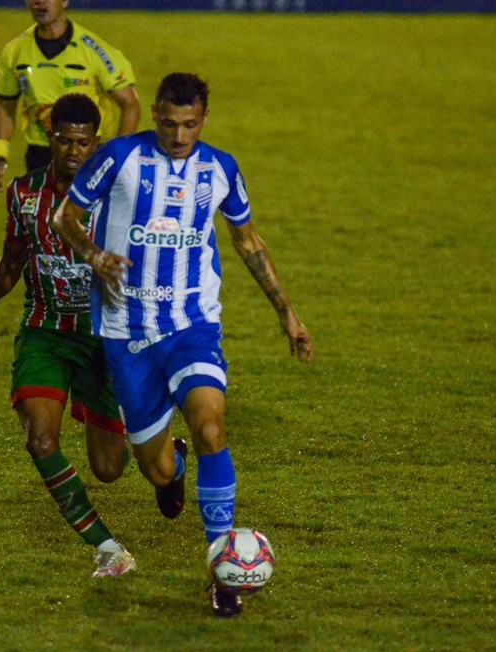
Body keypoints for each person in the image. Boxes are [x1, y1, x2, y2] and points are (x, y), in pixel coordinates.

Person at [52, 73, 313, 617]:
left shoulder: (221, 169)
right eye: (168, 123)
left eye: (189, 125)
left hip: (193, 323)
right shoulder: (118, 158)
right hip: (126, 333)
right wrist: (95, 256)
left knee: (212, 425)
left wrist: (287, 313)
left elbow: (247, 240)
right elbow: (66, 218)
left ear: (204, 120)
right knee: (157, 472)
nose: (178, 135)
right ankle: (174, 466)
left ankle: (224, 574)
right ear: (154, 114)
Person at [0, 93, 135, 579]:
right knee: (40, 439)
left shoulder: (119, 200)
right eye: (63, 140)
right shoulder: (24, 195)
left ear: (97, 144)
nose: (72, 151)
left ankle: (163, 449)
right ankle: (107, 548)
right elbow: (14, 257)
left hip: (103, 342)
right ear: (50, 138)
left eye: (83, 143)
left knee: (109, 469)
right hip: (45, 333)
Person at [0, 0, 141, 192]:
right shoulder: (15, 52)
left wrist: (118, 156)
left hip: (89, 153)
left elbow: (130, 103)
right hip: (41, 153)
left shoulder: (94, 51)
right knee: (42, 219)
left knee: (86, 220)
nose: (39, 2)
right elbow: (5, 104)